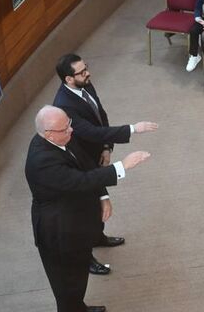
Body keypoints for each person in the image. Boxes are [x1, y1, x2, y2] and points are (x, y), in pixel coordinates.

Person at [25, 105, 150, 312]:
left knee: (78, 275)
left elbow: (85, 163)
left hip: (75, 224)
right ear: (48, 134)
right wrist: (122, 166)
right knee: (66, 285)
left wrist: (103, 196)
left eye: (69, 125)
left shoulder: (61, 136)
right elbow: (81, 180)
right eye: (64, 129)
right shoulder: (42, 161)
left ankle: (78, 307)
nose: (71, 131)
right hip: (59, 233)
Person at [53, 54, 159, 275]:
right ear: (68, 79)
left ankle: (98, 237)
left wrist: (106, 147)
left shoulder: (86, 85)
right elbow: (89, 132)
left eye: (86, 68)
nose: (87, 73)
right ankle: (87, 258)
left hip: (95, 153)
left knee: (97, 206)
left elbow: (101, 117)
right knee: (86, 210)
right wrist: (132, 128)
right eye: (81, 72)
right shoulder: (64, 105)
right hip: (79, 161)